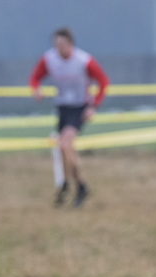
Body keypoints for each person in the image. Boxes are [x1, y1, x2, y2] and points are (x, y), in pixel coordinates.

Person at [30, 28, 109, 208]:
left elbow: (103, 81)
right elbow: (35, 78)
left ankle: (78, 185)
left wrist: (93, 105)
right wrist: (36, 90)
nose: (59, 48)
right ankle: (72, 184)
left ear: (70, 44)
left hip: (79, 108)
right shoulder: (49, 59)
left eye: (62, 44)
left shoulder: (83, 60)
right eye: (56, 44)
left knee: (65, 145)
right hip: (62, 108)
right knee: (64, 149)